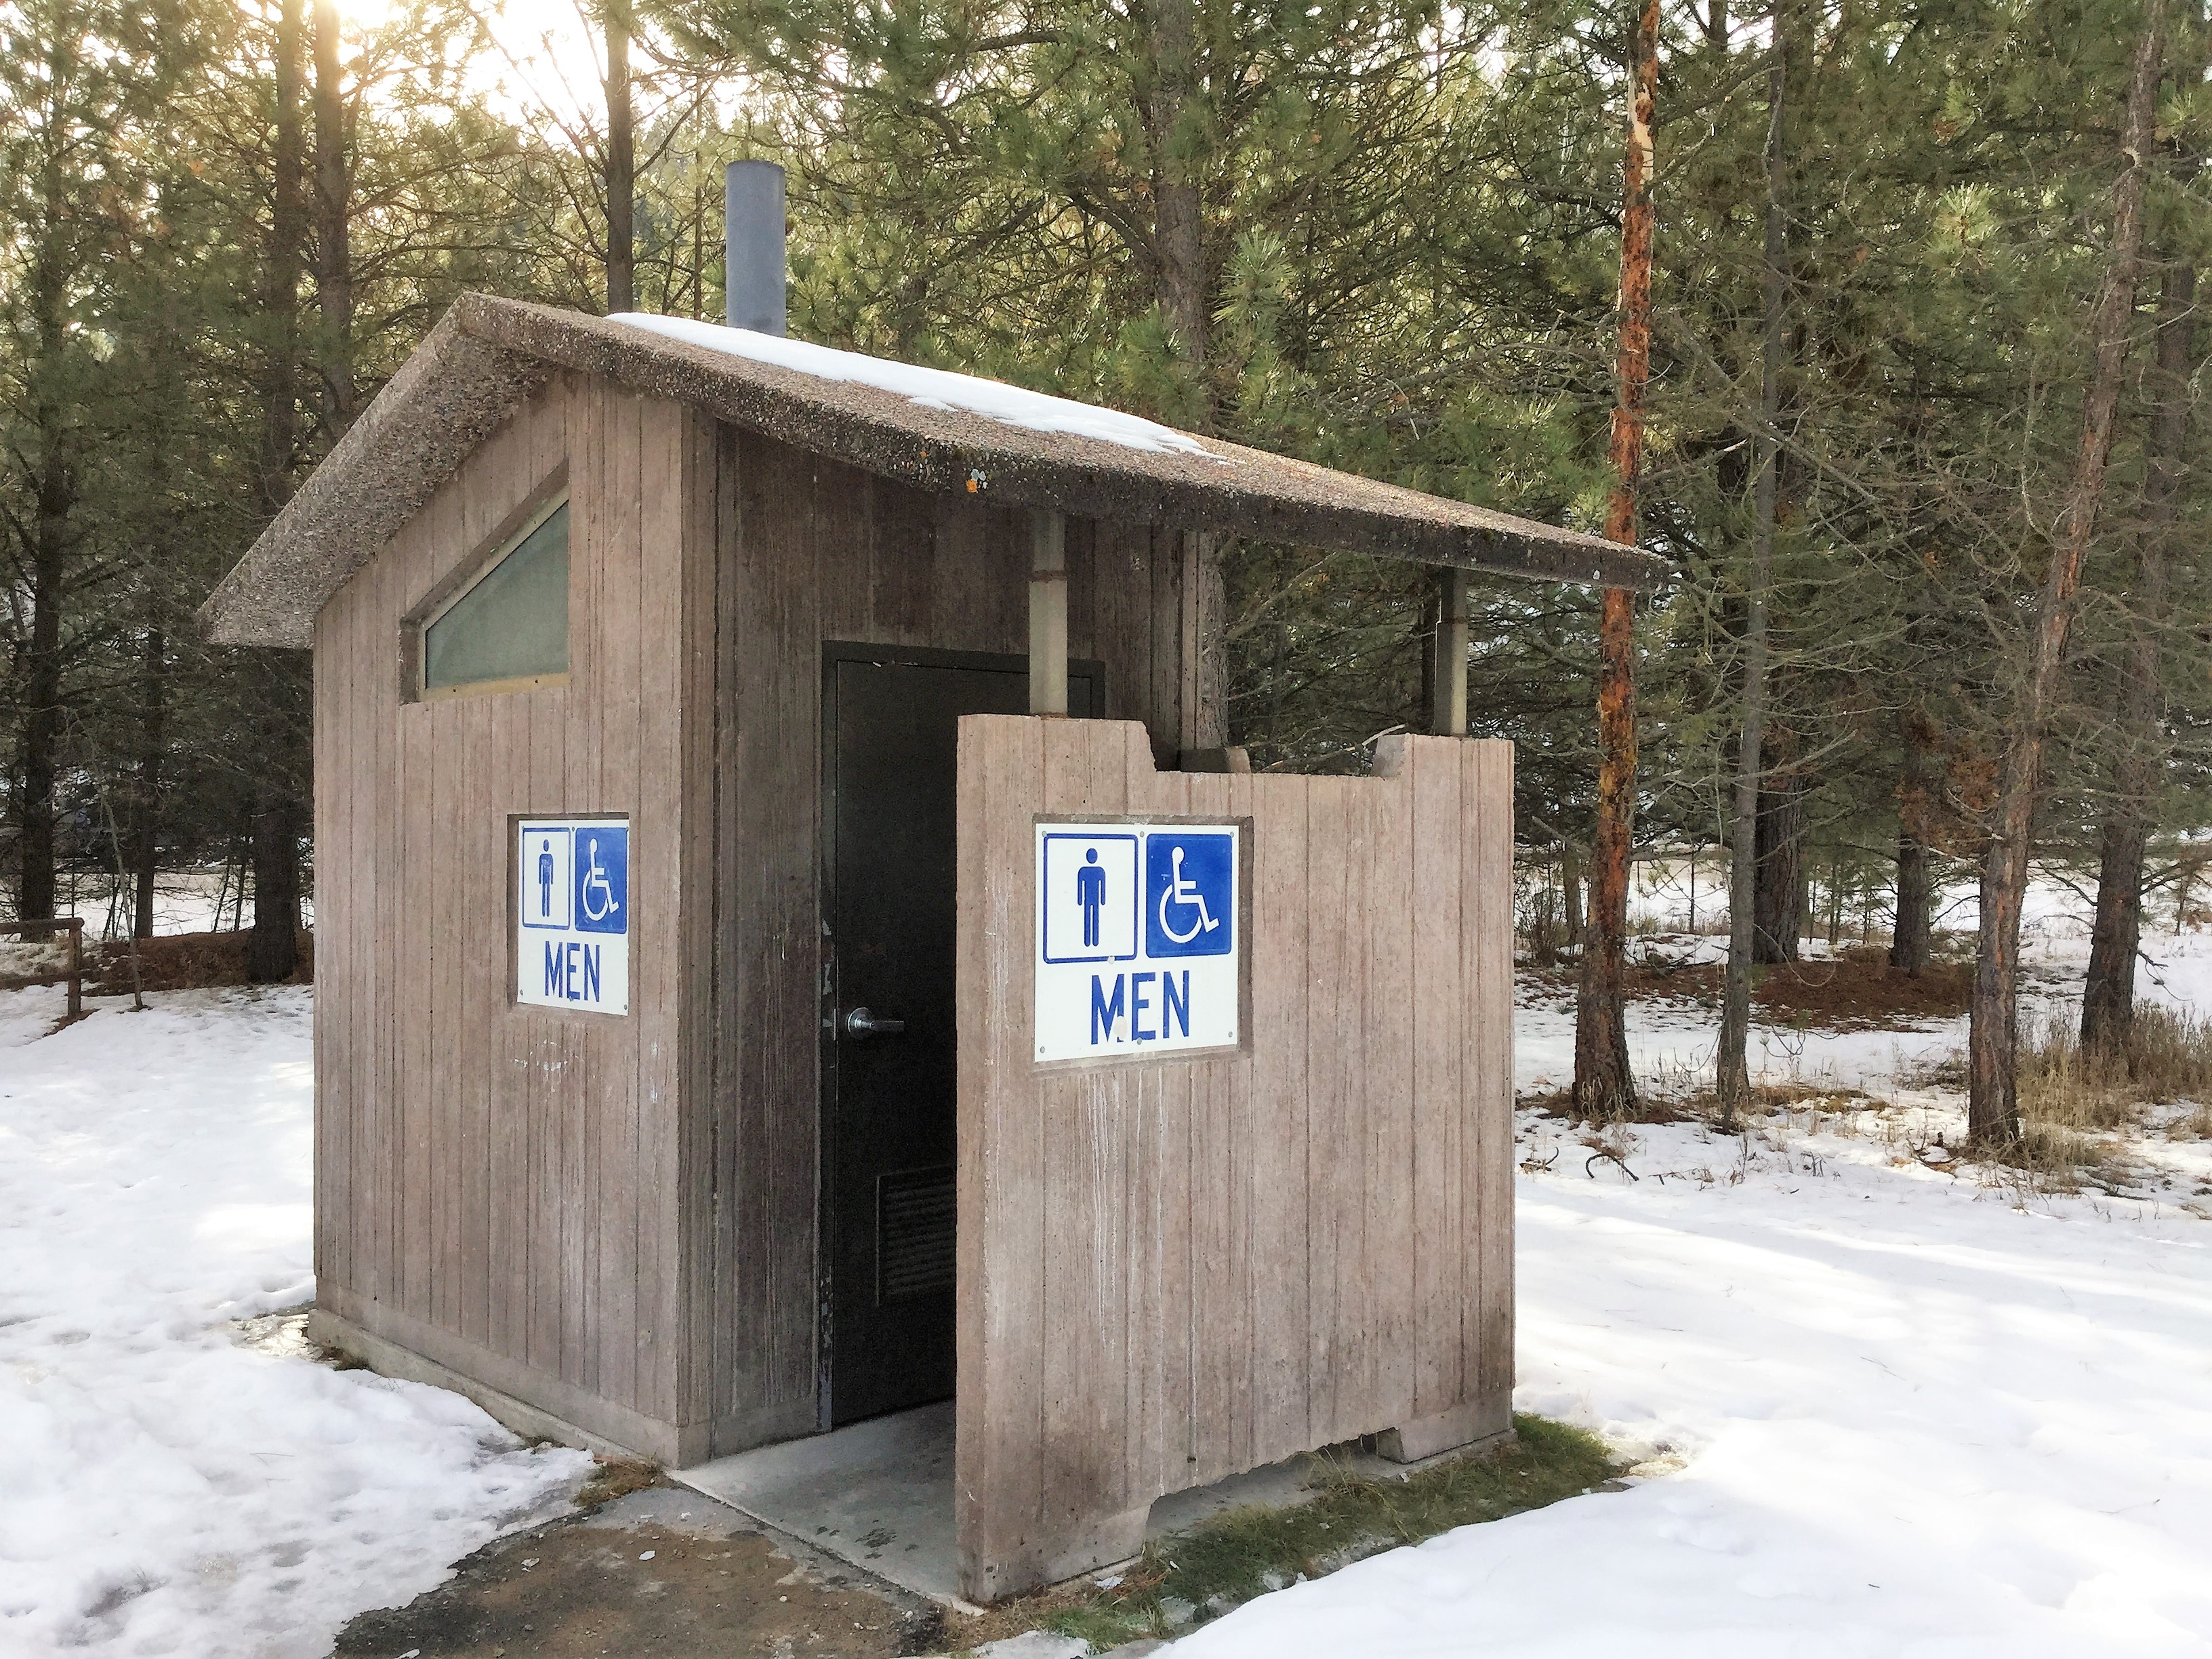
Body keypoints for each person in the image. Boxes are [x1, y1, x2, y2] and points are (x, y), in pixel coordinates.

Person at [1077, 846, 1107, 949]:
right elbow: (1080, 886)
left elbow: (1103, 887)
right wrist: (1080, 900)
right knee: (1088, 917)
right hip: (1088, 899)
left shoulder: (1100, 871)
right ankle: (1087, 941)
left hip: (1094, 899)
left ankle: (1095, 941)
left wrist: (1103, 900)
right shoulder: (1084, 871)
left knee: (1095, 917)